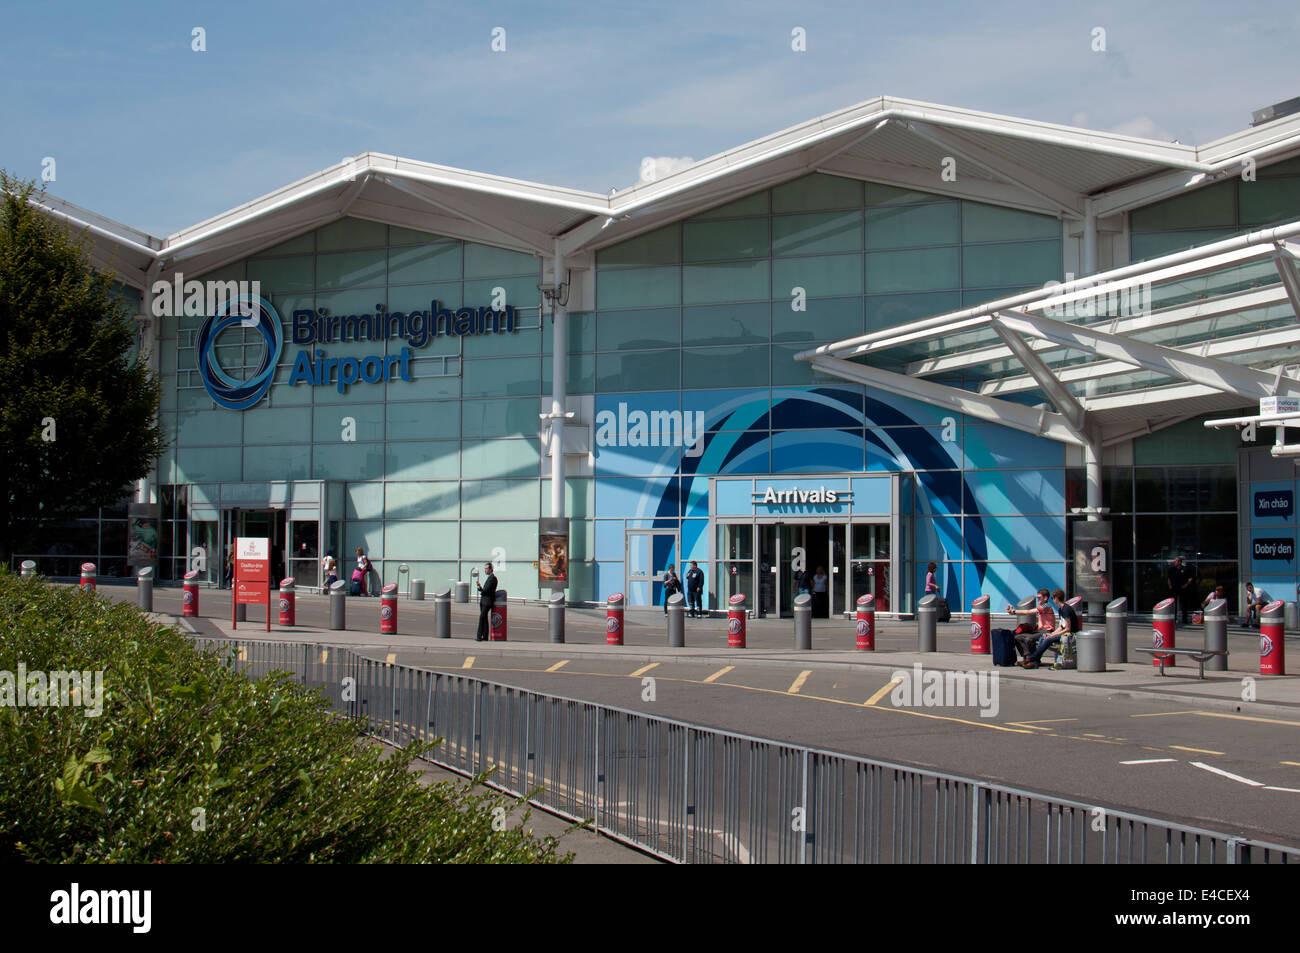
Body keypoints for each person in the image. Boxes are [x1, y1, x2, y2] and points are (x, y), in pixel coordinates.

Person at [1019, 589, 1080, 669]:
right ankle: (1035, 662)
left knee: (1047, 640)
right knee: (1044, 637)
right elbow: (1061, 627)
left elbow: (1067, 629)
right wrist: (1051, 634)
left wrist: (1052, 635)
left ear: (1056, 598)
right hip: (1064, 633)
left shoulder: (1066, 610)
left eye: (1052, 598)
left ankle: (1030, 659)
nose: (1053, 600)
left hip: (1070, 635)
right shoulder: (1061, 609)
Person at [1007, 588, 1055, 660]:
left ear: (1045, 598)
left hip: (1047, 631)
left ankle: (1033, 659)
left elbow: (1028, 612)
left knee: (1029, 638)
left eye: (1039, 598)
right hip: (1039, 630)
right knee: (1017, 637)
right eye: (1037, 598)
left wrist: (1013, 611)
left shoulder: (1046, 606)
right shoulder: (1042, 607)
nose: (1038, 599)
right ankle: (1027, 657)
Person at [1168, 556, 1195, 625]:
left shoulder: (1185, 569)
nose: (1175, 562)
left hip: (1183, 589)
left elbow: (1190, 578)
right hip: (1174, 589)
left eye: (1176, 561)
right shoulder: (1172, 569)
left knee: (1184, 604)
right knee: (1173, 604)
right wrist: (1170, 586)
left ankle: (1184, 619)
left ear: (1180, 562)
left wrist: (1186, 585)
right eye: (1174, 561)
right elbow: (1169, 578)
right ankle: (1173, 619)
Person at [476, 562, 498, 641]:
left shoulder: (493, 578)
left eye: (486, 568)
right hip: (484, 600)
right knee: (484, 618)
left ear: (490, 569)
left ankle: (479, 636)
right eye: (485, 568)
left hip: (487, 601)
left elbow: (487, 590)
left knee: (482, 617)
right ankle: (485, 636)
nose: (485, 570)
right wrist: (480, 588)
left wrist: (482, 590)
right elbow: (485, 590)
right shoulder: (489, 578)